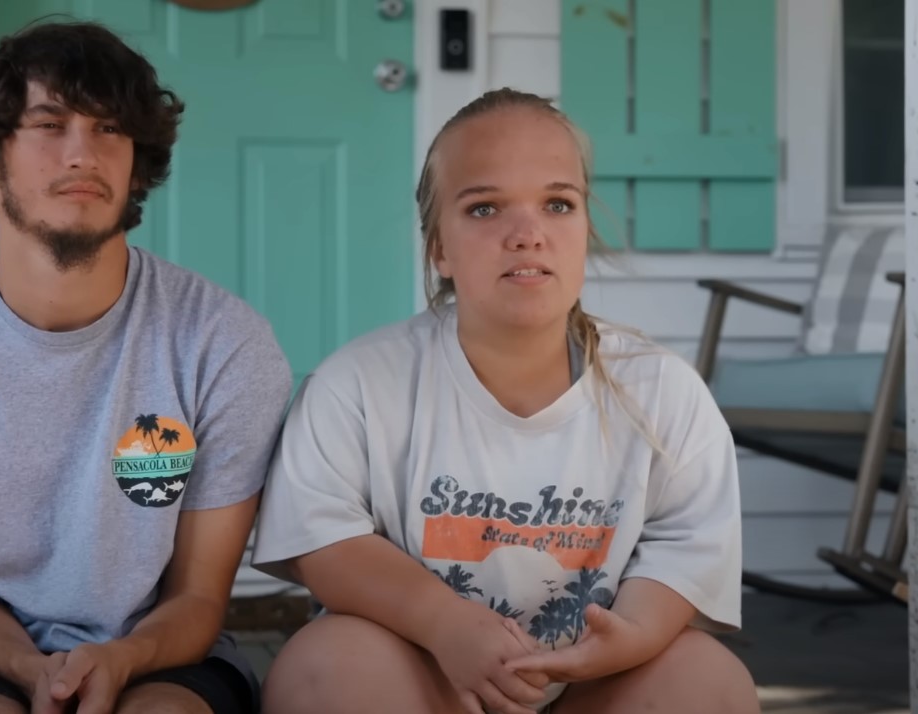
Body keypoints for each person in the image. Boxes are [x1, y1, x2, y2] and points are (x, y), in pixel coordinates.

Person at [0, 20, 293, 714]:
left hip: (163, 655)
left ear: (138, 162)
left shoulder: (226, 343)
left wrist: (120, 660)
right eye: (49, 124)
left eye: (109, 129)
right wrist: (35, 673)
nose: (83, 154)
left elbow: (197, 597)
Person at [250, 88, 760, 714]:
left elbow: (687, 546)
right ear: (439, 248)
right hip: (423, 674)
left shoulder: (661, 391)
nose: (527, 234)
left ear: (584, 229)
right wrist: (441, 622)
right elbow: (321, 538)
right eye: (485, 208)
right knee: (324, 667)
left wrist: (631, 635)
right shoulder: (358, 385)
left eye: (557, 204)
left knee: (706, 678)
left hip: (596, 683)